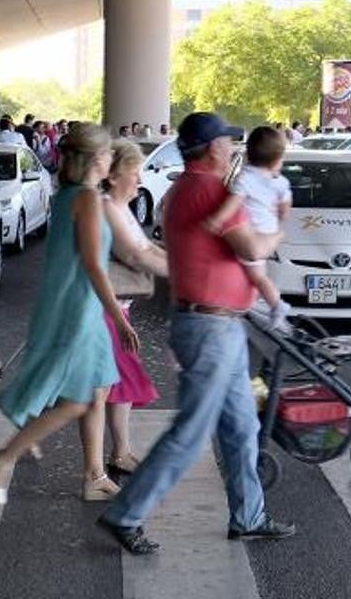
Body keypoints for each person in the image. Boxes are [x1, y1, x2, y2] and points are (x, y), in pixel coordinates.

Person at [98, 112, 293, 555]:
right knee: (190, 432)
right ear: (212, 149)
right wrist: (281, 223)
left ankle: (249, 515)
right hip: (210, 328)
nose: (232, 148)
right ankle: (125, 513)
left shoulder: (184, 188)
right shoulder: (209, 189)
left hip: (218, 324)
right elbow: (252, 248)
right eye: (227, 142)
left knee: (242, 426)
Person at [0, 124, 138, 505]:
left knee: (97, 390)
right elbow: (93, 266)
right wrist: (118, 317)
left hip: (83, 306)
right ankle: (3, 458)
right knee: (77, 400)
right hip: (78, 310)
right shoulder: (84, 199)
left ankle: (94, 476)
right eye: (107, 155)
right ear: (97, 159)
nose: (111, 160)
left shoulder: (71, 195)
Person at [100, 140, 169, 476]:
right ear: (113, 176)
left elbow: (146, 248)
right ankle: (18, 444)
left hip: (116, 307)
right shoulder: (107, 207)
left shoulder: (121, 207)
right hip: (104, 309)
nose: (140, 179)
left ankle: (120, 452)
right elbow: (135, 255)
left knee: (116, 382)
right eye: (134, 171)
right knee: (111, 381)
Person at [203, 126, 292, 327]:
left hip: (252, 234)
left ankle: (277, 305)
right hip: (268, 231)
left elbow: (232, 203)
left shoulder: (245, 178)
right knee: (259, 275)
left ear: (248, 154)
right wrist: (278, 222)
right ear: (277, 160)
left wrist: (216, 220)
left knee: (258, 277)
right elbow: (285, 210)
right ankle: (272, 304)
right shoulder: (281, 182)